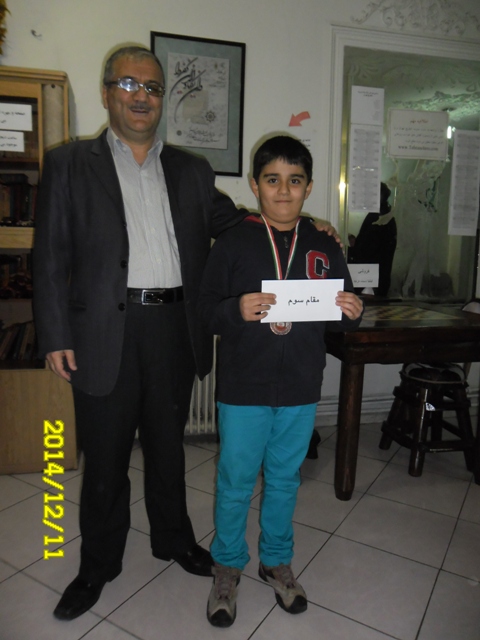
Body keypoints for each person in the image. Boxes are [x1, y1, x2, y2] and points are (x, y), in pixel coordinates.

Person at [33, 46, 339, 621]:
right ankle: (97, 565)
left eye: (152, 87)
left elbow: (241, 221)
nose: (141, 96)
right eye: (129, 84)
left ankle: (173, 539)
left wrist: (308, 223)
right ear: (108, 93)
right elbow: (48, 254)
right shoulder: (69, 163)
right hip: (102, 331)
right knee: (105, 455)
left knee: (168, 448)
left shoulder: (191, 169)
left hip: (175, 327)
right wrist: (54, 334)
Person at [197, 135, 363, 627]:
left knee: (285, 480)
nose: (284, 191)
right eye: (273, 180)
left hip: (300, 386)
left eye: (295, 181)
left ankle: (275, 560)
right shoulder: (233, 243)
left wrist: (352, 312)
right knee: (235, 480)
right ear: (255, 185)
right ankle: (228, 564)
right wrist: (235, 309)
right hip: (243, 388)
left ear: (309, 188)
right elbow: (203, 312)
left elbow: (340, 316)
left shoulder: (325, 244)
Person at [348, 182, 397, 297]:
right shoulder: (381, 216)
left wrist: (354, 247)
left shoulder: (381, 218)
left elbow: (369, 248)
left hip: (371, 280)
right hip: (373, 277)